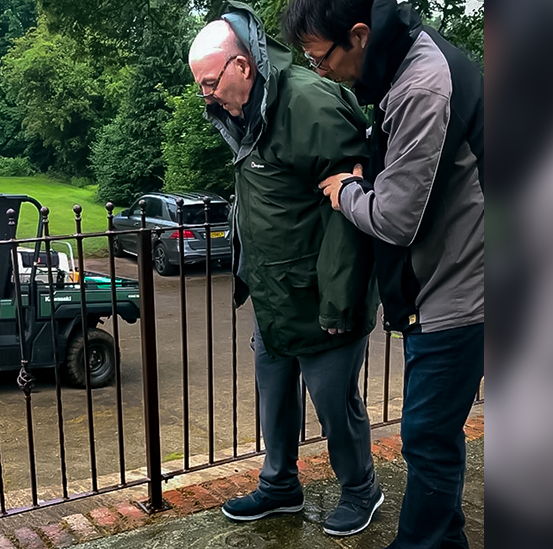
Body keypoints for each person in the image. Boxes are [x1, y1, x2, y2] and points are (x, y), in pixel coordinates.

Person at [282, 0, 485, 547]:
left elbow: (396, 218)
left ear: (359, 35)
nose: (317, 70)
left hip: (459, 290)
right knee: (435, 440)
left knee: (425, 440)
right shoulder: (402, 66)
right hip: (442, 283)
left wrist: (345, 192)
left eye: (320, 57)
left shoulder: (421, 86)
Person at [187, 1, 383, 537]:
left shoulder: (309, 104)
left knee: (332, 403)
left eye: (208, 83)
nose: (204, 95)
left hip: (322, 296)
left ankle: (361, 489)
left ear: (243, 67)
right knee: (275, 395)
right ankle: (279, 487)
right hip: (276, 293)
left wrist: (341, 300)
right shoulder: (241, 109)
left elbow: (350, 206)